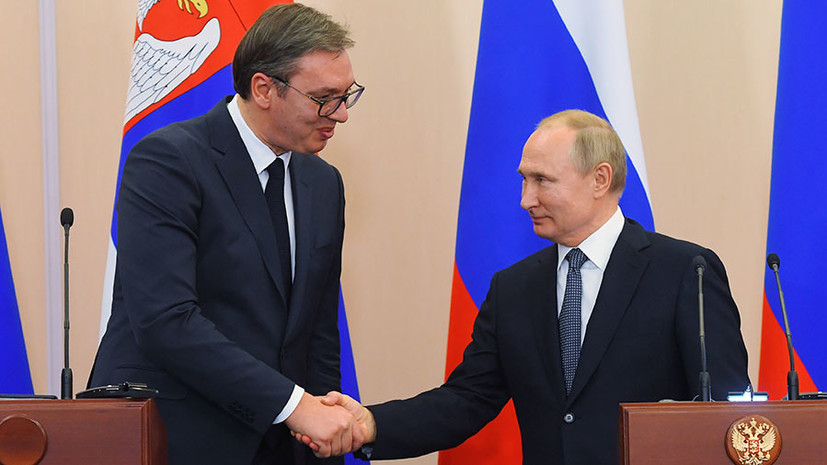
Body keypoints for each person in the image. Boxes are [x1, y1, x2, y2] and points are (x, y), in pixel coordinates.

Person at [299, 109, 750, 464]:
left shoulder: (684, 271)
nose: (525, 200)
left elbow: (730, 413)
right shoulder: (514, 288)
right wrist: (370, 423)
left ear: (600, 179)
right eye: (524, 180)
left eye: (542, 181)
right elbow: (467, 400)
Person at [88, 4, 367, 464]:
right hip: (178, 438)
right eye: (323, 98)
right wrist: (295, 407)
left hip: (285, 445)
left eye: (346, 95)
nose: (340, 115)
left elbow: (317, 331)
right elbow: (166, 321)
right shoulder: (168, 161)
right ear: (264, 89)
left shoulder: (323, 183)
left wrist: (324, 438)